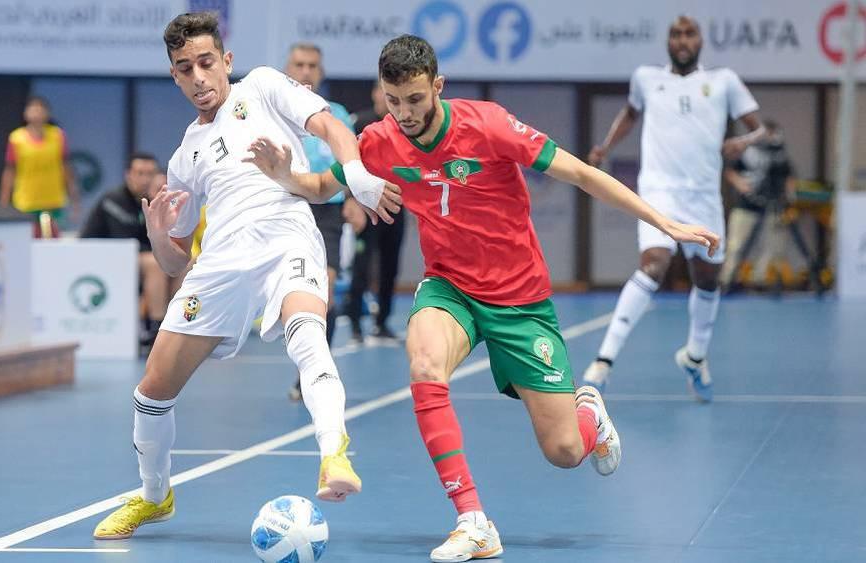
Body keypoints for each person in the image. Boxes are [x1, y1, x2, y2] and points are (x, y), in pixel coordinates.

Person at [244, 34, 718, 563]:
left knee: (564, 452)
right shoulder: (378, 140)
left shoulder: (487, 124)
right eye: (394, 100)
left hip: (520, 298)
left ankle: (589, 413)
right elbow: (321, 186)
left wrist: (664, 221)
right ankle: (472, 520)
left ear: (437, 87)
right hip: (449, 286)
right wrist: (284, 175)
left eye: (416, 100)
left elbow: (581, 174)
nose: (404, 113)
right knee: (424, 363)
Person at [92, 12, 400, 541]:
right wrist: (159, 234)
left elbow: (330, 126)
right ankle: (153, 495)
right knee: (152, 390)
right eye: (184, 68)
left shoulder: (262, 86)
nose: (198, 77)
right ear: (174, 76)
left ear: (226, 61)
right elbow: (175, 264)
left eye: (206, 63)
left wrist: (359, 178)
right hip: (221, 261)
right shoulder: (184, 156)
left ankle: (334, 454)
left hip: (286, 231)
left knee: (308, 332)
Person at [582, 16, 763, 402]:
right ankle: (603, 362)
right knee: (654, 264)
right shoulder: (646, 78)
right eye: (675, 35)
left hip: (703, 197)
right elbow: (630, 114)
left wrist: (744, 141)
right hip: (659, 191)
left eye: (689, 34)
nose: (682, 41)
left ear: (700, 41)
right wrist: (604, 148)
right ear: (668, 42)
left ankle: (695, 357)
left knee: (708, 278)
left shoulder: (724, 81)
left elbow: (759, 127)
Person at [284, 42, 360, 400]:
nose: (306, 71)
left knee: (323, 293)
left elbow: (354, 162)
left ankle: (314, 375)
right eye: (299, 64)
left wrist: (355, 199)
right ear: (288, 68)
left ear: (322, 71)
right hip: (285, 208)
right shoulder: (270, 110)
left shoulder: (338, 115)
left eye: (312, 65)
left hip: (326, 211)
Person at [81, 152, 177, 346]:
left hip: (131, 259)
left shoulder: (156, 201)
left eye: (150, 173)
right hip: (99, 258)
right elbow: (128, 242)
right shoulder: (113, 200)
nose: (145, 179)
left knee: (183, 264)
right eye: (140, 173)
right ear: (128, 175)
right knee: (155, 263)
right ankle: (156, 330)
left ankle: (178, 325)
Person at [345, 80, 405, 344]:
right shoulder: (361, 122)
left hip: (396, 205)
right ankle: (356, 323)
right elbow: (346, 162)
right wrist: (352, 199)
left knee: (391, 265)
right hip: (366, 206)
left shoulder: (405, 125)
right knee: (362, 264)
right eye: (382, 91)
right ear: (375, 94)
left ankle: (382, 323)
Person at [720, 120, 797, 292]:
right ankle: (727, 280)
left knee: (773, 245)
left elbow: (788, 176)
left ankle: (761, 280)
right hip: (746, 205)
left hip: (773, 205)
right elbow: (730, 170)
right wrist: (740, 184)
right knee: (735, 244)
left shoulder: (779, 154)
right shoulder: (747, 151)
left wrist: (790, 200)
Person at [0, 96, 81, 237]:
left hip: (53, 201)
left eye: (40, 109)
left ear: (47, 113)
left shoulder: (58, 135)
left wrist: (74, 199)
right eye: (33, 109)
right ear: (26, 113)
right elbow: (10, 171)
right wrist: (3, 203)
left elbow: (66, 168)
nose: (37, 113)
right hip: (26, 202)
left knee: (54, 242)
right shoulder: (16, 138)